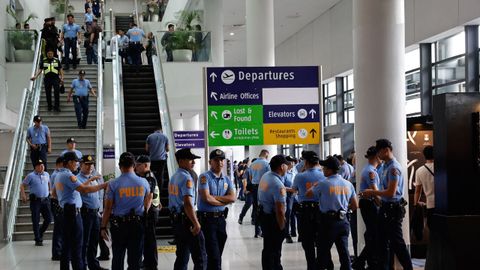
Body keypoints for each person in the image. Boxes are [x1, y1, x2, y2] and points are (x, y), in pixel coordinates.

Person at [361, 139, 413, 270]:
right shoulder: (384, 166)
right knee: (381, 242)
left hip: (393, 209)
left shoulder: (393, 168)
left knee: (397, 243)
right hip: (385, 208)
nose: (377, 155)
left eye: (379, 151)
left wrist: (372, 192)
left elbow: (391, 192)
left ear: (386, 150)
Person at [52, 152, 107, 270]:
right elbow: (84, 189)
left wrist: (65, 199)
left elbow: (54, 194)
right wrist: (104, 185)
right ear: (70, 162)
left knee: (67, 245)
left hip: (65, 211)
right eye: (76, 162)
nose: (77, 164)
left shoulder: (58, 175)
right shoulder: (69, 176)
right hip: (73, 213)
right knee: (78, 246)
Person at [101, 152, 152, 270]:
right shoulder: (144, 182)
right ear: (134, 165)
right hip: (137, 224)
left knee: (118, 257)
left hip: (119, 225)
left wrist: (103, 226)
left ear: (120, 166)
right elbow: (148, 200)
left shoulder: (113, 184)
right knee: (135, 260)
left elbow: (108, 208)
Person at [307, 156, 358, 270]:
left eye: (324, 167)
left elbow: (308, 194)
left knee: (322, 252)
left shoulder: (324, 183)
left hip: (328, 223)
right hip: (343, 221)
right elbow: (355, 205)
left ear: (330, 170)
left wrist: (315, 185)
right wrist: (343, 209)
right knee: (344, 252)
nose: (323, 169)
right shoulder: (348, 184)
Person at [291, 151, 332, 270]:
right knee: (322, 240)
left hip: (305, 212)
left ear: (306, 162)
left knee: (307, 242)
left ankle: (311, 266)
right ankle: (326, 265)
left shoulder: (300, 176)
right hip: (321, 210)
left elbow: (294, 190)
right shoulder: (324, 175)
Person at [169, 148, 207, 270]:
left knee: (182, 256)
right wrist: (196, 223)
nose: (193, 162)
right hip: (188, 221)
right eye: (190, 159)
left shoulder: (174, 177)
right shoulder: (187, 178)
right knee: (200, 257)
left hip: (177, 221)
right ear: (181, 161)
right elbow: (188, 203)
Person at [197, 149, 236, 270]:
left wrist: (214, 198)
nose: (219, 162)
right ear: (210, 162)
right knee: (214, 256)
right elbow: (206, 198)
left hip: (221, 220)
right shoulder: (204, 177)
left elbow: (233, 198)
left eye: (221, 160)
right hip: (207, 220)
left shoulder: (227, 179)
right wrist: (223, 200)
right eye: (216, 160)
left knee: (217, 254)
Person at [352, 146, 381, 270]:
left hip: (367, 203)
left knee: (371, 233)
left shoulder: (369, 170)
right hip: (369, 204)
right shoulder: (370, 172)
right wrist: (381, 204)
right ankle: (359, 262)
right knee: (374, 235)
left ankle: (366, 261)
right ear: (376, 156)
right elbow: (375, 191)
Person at [258, 154, 288, 270]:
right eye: (286, 165)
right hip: (273, 220)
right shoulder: (278, 184)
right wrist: (282, 227)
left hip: (264, 216)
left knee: (268, 248)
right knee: (275, 250)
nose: (287, 168)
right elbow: (280, 210)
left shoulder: (266, 176)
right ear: (282, 166)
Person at [76, 155, 106, 270]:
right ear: (81, 165)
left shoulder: (95, 178)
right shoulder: (78, 178)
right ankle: (82, 265)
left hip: (95, 213)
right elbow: (83, 189)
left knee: (94, 241)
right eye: (87, 164)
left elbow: (98, 195)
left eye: (91, 164)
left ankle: (94, 265)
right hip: (85, 213)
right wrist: (92, 180)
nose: (89, 167)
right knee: (85, 242)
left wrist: (100, 210)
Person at [135, 155, 161, 270]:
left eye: (138, 164)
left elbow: (149, 195)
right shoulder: (145, 176)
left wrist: (145, 211)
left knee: (150, 239)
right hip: (151, 210)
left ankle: (152, 265)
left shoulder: (148, 177)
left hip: (149, 212)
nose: (136, 166)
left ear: (145, 165)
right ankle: (147, 262)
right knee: (146, 239)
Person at [20, 159, 52, 246]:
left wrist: (50, 191)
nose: (42, 167)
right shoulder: (31, 175)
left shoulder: (46, 174)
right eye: (40, 166)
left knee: (49, 219)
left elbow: (49, 183)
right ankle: (38, 239)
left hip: (45, 200)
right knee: (36, 220)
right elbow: (22, 185)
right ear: (36, 167)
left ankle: (40, 233)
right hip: (35, 201)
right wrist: (23, 195)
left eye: (43, 166)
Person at [414, 145, 435, 230]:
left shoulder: (419, 171)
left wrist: (416, 204)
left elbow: (418, 191)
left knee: (433, 230)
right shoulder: (441, 167)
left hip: (430, 205)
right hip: (443, 205)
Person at [251, 150, 270, 238]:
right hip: (263, 187)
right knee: (264, 208)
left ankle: (256, 231)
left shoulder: (253, 164)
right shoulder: (266, 164)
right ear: (266, 155)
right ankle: (263, 230)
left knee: (256, 208)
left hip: (254, 187)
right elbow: (269, 176)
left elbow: (250, 177)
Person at [50, 157, 64, 260]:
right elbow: (57, 191)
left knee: (59, 228)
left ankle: (58, 251)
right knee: (59, 228)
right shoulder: (56, 175)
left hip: (58, 202)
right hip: (57, 202)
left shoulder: (57, 174)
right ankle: (56, 252)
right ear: (58, 165)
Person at [238, 158, 256, 225]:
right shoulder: (248, 170)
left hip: (256, 190)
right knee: (248, 204)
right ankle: (241, 217)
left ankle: (253, 219)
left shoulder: (257, 171)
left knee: (255, 205)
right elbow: (244, 179)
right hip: (249, 190)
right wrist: (245, 189)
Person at [283, 155, 296, 244]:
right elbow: (280, 185)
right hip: (287, 196)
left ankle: (294, 232)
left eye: (293, 162)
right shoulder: (284, 173)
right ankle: (287, 234)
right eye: (290, 162)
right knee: (288, 214)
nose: (292, 163)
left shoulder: (294, 172)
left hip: (295, 196)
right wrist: (290, 189)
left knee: (294, 214)